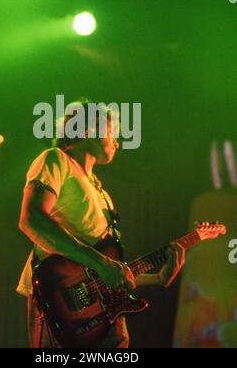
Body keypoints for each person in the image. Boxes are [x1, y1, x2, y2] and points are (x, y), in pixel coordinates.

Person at [17, 99, 185, 348]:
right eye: (111, 131)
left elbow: (100, 276)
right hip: (61, 307)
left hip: (105, 317)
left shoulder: (103, 194)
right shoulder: (55, 160)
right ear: (87, 129)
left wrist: (154, 279)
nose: (117, 141)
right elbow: (31, 220)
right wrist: (102, 263)